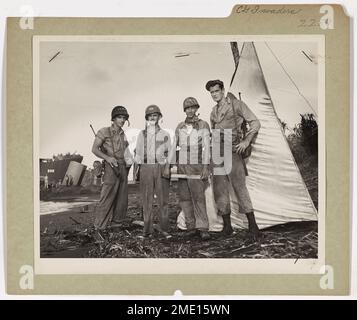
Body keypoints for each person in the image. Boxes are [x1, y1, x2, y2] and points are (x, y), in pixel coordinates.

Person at [205, 79, 261, 239]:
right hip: (217, 150)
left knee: (239, 187)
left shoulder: (237, 104)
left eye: (216, 91)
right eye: (211, 92)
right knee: (219, 189)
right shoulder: (213, 112)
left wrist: (246, 141)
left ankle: (253, 226)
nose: (214, 94)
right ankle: (227, 227)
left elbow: (255, 123)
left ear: (222, 90)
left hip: (232, 148)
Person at [165, 97, 211, 240]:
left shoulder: (203, 125)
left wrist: (205, 166)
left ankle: (202, 227)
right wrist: (168, 165)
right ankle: (191, 226)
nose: (190, 110)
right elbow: (174, 147)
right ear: (184, 110)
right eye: (187, 108)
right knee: (185, 197)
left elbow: (207, 147)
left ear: (197, 109)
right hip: (182, 165)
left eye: (193, 107)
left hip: (196, 163)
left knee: (198, 196)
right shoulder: (180, 126)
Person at [91, 106, 133, 233]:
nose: (122, 120)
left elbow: (126, 152)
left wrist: (130, 161)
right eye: (120, 117)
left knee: (122, 198)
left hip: (123, 167)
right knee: (107, 197)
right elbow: (94, 149)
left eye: (124, 118)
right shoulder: (104, 131)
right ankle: (99, 227)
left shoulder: (123, 134)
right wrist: (108, 158)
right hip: (111, 167)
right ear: (113, 118)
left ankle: (116, 225)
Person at [135, 105, 172, 239]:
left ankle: (164, 230)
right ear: (146, 118)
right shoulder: (141, 134)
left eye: (155, 115)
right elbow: (138, 153)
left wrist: (167, 167)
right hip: (146, 167)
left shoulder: (165, 134)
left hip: (161, 166)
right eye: (150, 116)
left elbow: (170, 153)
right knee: (146, 200)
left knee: (163, 200)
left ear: (159, 117)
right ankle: (147, 230)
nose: (152, 117)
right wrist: (139, 169)